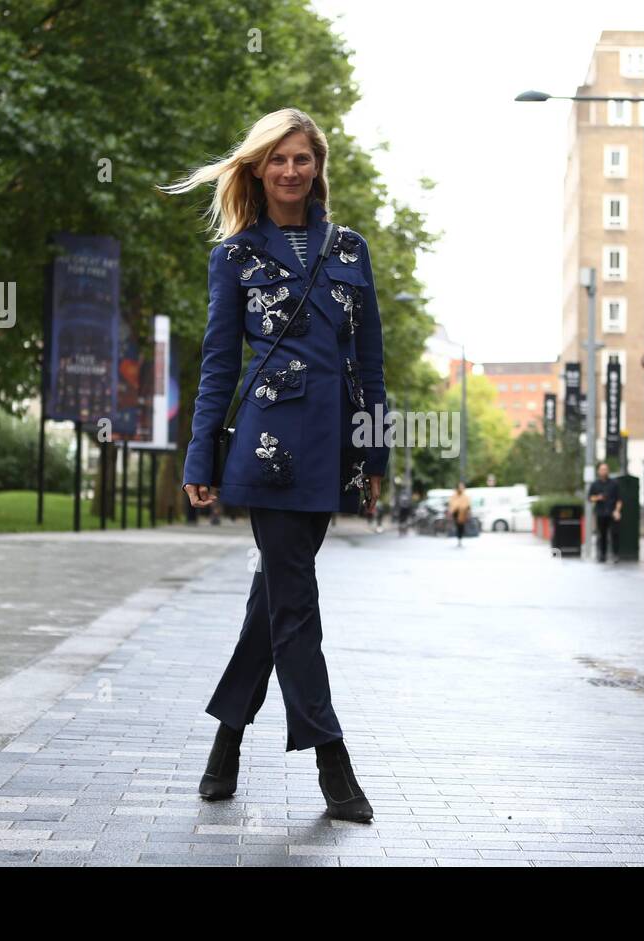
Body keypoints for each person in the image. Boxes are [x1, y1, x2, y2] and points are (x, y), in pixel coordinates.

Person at [173, 108, 384, 822]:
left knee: (276, 593)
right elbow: (217, 363)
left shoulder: (351, 250)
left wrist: (375, 450)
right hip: (266, 446)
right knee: (295, 596)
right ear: (258, 169)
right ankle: (332, 759)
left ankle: (228, 737)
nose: (291, 171)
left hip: (331, 445)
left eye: (302, 159)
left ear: (317, 166)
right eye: (278, 160)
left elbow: (371, 365)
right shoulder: (234, 256)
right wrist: (201, 451)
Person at [587, 462, 623, 563]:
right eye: (602, 469)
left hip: (612, 512)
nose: (604, 471)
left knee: (615, 534)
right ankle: (602, 555)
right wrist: (598, 497)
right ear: (598, 471)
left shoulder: (614, 483)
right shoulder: (595, 484)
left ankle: (615, 555)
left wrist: (617, 511)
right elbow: (590, 498)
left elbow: (619, 499)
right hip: (600, 513)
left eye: (606, 469)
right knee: (602, 535)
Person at [448, 481, 472, 547]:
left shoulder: (465, 496)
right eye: (460, 486)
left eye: (462, 486)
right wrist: (451, 511)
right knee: (458, 525)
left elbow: (468, 504)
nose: (461, 487)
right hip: (456, 512)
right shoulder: (454, 495)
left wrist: (468, 512)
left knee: (461, 526)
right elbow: (451, 504)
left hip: (463, 512)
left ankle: (460, 538)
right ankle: (459, 538)